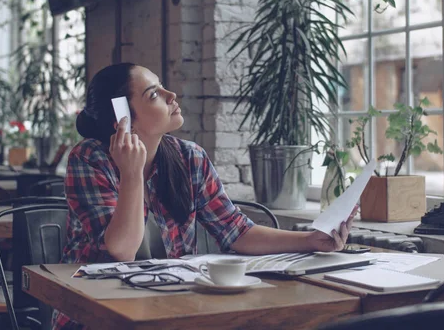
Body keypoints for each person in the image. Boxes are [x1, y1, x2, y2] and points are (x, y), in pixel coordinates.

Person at [53, 62, 357, 330]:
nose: (171, 96)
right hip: (97, 315)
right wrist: (131, 174)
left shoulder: (189, 157)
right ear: (122, 118)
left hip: (174, 307)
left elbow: (237, 232)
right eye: (154, 94)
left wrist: (311, 240)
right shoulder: (89, 159)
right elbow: (121, 250)